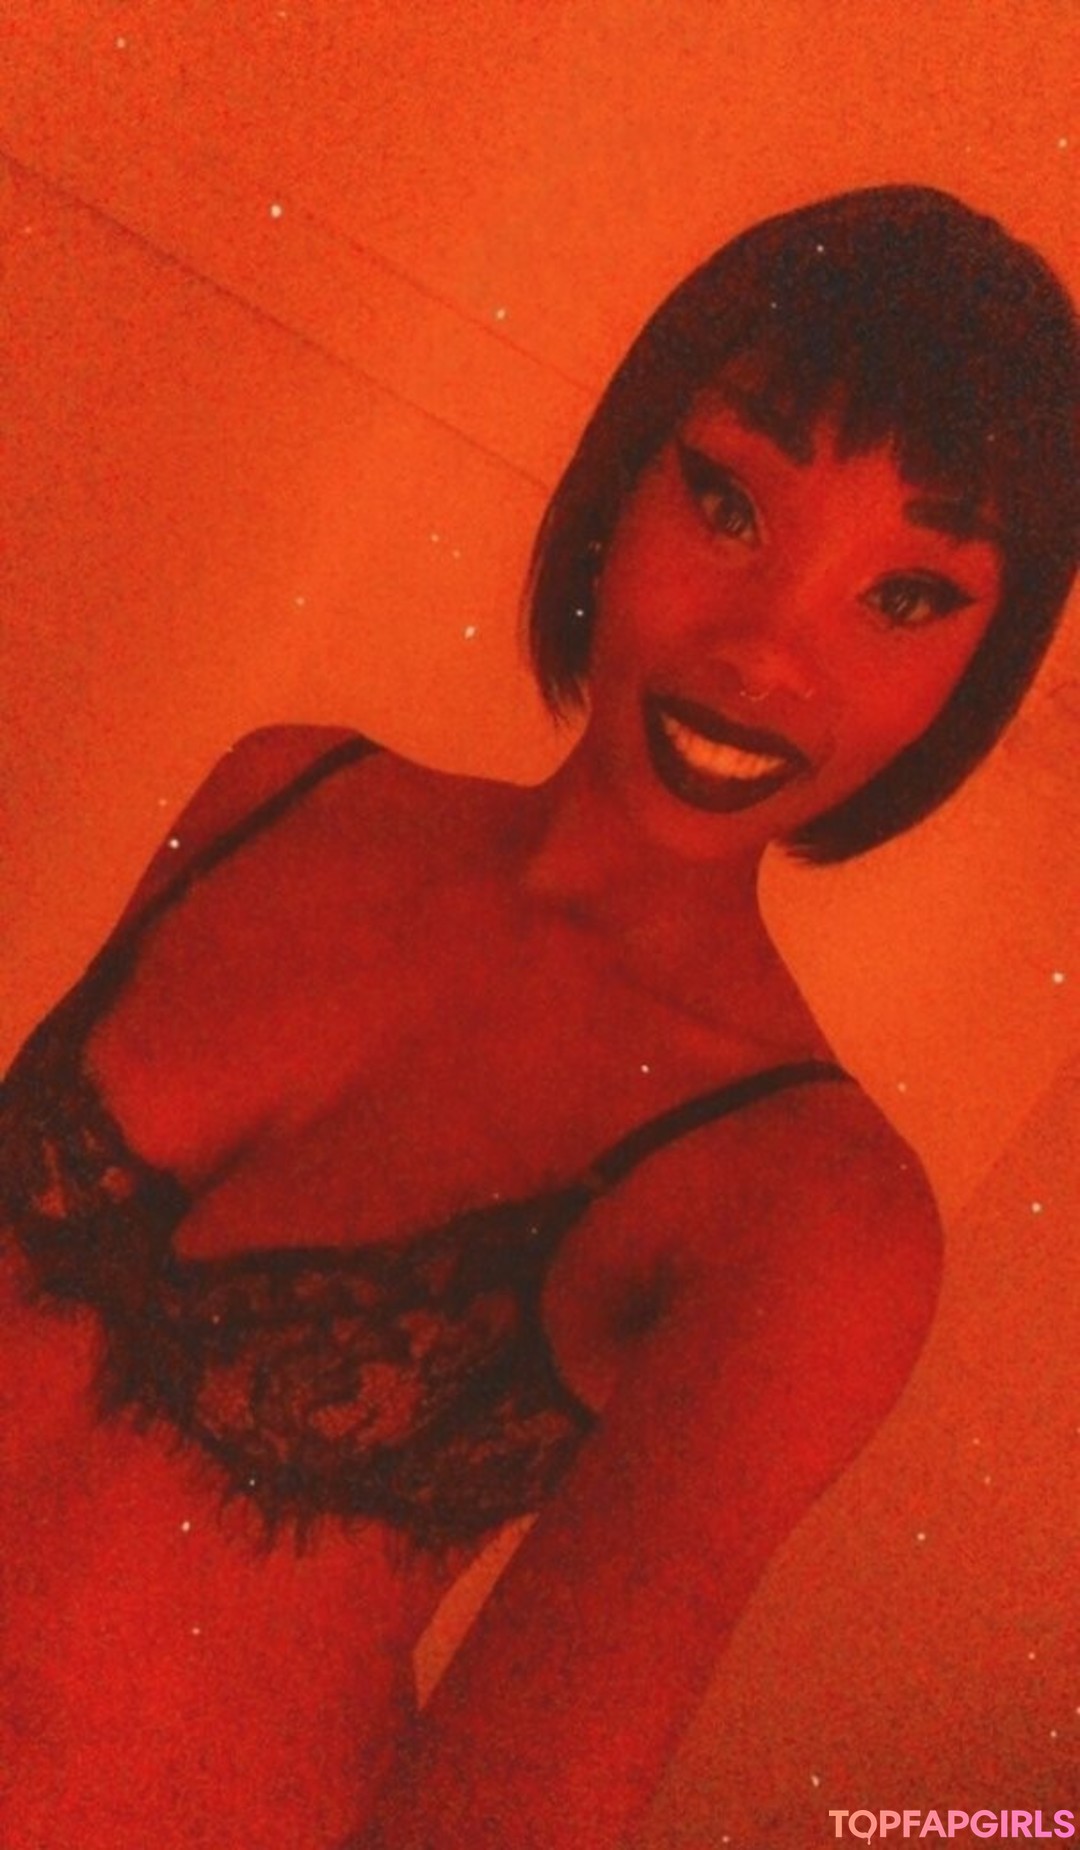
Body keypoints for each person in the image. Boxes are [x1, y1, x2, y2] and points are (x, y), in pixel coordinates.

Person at [1, 185, 1076, 1850]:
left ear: (979, 672)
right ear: (625, 470)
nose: (762, 657)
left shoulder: (809, 1209)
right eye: (729, 503)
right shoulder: (283, 790)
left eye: (907, 597)